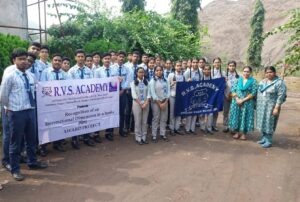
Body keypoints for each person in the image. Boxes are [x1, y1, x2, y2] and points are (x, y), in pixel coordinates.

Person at [0, 48, 48, 181]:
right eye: (20, 59)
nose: (24, 62)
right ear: (14, 60)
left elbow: (36, 91)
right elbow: (3, 95)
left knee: (31, 139)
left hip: (30, 110)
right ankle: (15, 169)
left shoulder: (31, 76)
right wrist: (7, 109)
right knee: (15, 142)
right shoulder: (10, 76)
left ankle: (32, 162)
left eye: (25, 59)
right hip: (16, 112)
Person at [40, 54, 69, 152]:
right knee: (46, 125)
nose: (57, 62)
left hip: (61, 104)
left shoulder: (65, 74)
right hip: (48, 104)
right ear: (52, 61)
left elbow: (69, 87)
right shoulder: (45, 72)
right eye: (55, 60)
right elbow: (42, 87)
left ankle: (58, 144)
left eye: (59, 60)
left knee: (59, 124)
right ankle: (43, 147)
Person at [68, 49, 95, 149]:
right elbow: (70, 86)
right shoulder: (71, 71)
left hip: (87, 99)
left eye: (82, 56)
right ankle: (74, 139)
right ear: (75, 58)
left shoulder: (89, 70)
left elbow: (92, 84)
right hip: (76, 100)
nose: (80, 58)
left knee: (86, 118)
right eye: (78, 56)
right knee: (76, 119)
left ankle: (86, 138)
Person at [256, 66, 287, 148]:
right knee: (262, 122)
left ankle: (269, 140)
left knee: (269, 122)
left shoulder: (279, 83)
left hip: (271, 107)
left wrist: (276, 108)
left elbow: (281, 96)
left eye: (270, 72)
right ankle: (264, 138)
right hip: (261, 107)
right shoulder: (262, 81)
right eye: (267, 72)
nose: (268, 74)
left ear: (274, 73)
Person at [94, 52, 118, 141]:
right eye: (105, 59)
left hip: (111, 97)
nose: (107, 60)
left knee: (110, 114)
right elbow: (96, 85)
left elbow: (115, 84)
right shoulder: (98, 71)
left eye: (108, 58)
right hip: (101, 97)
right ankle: (97, 134)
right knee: (100, 115)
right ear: (102, 60)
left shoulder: (114, 70)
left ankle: (109, 133)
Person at [229, 66, 257, 140]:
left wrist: (243, 100)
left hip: (247, 103)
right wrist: (237, 99)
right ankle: (237, 132)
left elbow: (253, 93)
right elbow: (233, 90)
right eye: (244, 71)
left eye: (247, 71)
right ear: (242, 72)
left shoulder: (253, 81)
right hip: (236, 102)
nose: (246, 73)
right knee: (237, 117)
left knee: (245, 117)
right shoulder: (238, 80)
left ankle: (244, 134)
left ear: (250, 72)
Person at [149, 65, 170, 143]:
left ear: (162, 71)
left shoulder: (166, 80)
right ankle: (154, 135)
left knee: (164, 118)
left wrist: (165, 102)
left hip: (165, 102)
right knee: (156, 118)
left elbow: (168, 92)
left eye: (160, 70)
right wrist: (159, 103)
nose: (159, 72)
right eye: (157, 70)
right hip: (156, 103)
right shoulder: (152, 81)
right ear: (154, 72)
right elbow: (153, 93)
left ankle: (162, 134)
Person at [112, 50, 130, 137]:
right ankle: (110, 132)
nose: (121, 58)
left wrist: (122, 90)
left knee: (122, 112)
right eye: (120, 56)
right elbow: (110, 80)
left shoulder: (126, 68)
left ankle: (121, 130)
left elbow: (128, 80)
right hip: (113, 93)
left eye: (123, 57)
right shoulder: (112, 68)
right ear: (116, 57)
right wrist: (115, 91)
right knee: (112, 112)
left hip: (122, 93)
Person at [131, 67, 151, 145]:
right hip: (137, 104)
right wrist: (140, 103)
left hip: (146, 103)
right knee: (138, 121)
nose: (141, 74)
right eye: (139, 72)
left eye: (142, 72)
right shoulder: (133, 83)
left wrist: (146, 103)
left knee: (144, 121)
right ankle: (138, 137)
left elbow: (149, 94)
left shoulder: (147, 82)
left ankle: (144, 137)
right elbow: (134, 95)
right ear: (136, 73)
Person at [184, 58, 203, 134]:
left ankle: (192, 128)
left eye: (196, 62)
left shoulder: (200, 72)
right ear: (191, 63)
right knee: (189, 111)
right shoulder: (187, 72)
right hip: (189, 94)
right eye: (193, 62)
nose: (195, 64)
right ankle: (187, 129)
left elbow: (202, 82)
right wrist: (187, 81)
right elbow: (183, 84)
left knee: (195, 112)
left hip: (197, 94)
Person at [124, 51, 140, 134]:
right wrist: (126, 88)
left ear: (139, 58)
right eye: (134, 56)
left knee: (136, 110)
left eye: (137, 56)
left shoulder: (140, 67)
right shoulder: (126, 66)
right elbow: (125, 78)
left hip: (138, 90)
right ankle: (126, 127)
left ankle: (133, 127)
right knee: (128, 110)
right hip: (129, 90)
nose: (135, 58)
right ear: (131, 57)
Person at [168, 61, 184, 135]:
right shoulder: (171, 75)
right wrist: (172, 84)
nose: (179, 67)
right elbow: (167, 86)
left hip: (180, 97)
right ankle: (171, 129)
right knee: (172, 113)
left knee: (178, 113)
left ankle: (177, 128)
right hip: (172, 96)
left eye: (180, 65)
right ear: (175, 67)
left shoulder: (183, 76)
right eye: (177, 65)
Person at [223, 61, 239, 133]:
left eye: (233, 66)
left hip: (234, 96)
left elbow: (239, 87)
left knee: (233, 112)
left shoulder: (238, 76)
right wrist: (226, 95)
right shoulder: (224, 75)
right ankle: (226, 126)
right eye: (230, 66)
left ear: (235, 67)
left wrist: (233, 95)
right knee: (226, 111)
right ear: (227, 66)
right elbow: (221, 86)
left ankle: (232, 127)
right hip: (226, 96)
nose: (231, 67)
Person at [211, 57, 226, 132]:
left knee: (216, 110)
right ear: (213, 64)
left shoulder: (223, 73)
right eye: (215, 62)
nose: (217, 63)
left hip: (219, 94)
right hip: (211, 94)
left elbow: (224, 83)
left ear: (220, 63)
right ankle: (208, 125)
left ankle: (214, 125)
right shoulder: (210, 72)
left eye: (218, 62)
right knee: (209, 109)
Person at [199, 64, 214, 134]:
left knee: (210, 114)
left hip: (210, 99)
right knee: (202, 113)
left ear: (210, 71)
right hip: (202, 99)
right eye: (205, 69)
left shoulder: (213, 79)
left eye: (208, 69)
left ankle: (209, 128)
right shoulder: (200, 79)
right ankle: (202, 127)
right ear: (203, 70)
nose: (207, 71)